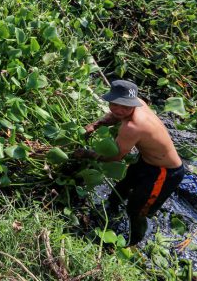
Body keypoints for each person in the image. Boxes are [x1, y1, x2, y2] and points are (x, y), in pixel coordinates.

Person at [79, 80, 185, 245]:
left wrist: (86, 153)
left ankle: (134, 241)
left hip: (165, 172)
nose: (120, 110)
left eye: (125, 107)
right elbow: (116, 115)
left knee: (137, 209)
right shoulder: (137, 103)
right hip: (146, 160)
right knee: (124, 184)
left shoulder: (133, 127)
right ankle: (111, 207)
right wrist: (96, 124)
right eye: (115, 104)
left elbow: (115, 157)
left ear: (133, 105)